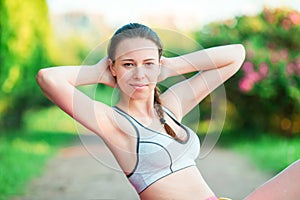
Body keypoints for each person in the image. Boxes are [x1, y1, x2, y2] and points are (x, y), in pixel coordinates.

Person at [36, 23, 299, 200]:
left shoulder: (172, 105)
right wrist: (96, 73)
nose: (140, 74)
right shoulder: (113, 123)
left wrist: (171, 66)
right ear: (113, 67)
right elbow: (48, 78)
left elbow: (235, 55)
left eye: (148, 63)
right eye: (128, 64)